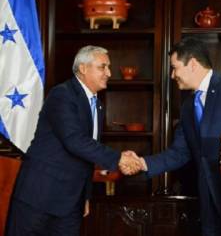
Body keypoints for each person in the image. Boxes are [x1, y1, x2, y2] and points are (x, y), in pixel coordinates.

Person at [119, 37, 221, 236]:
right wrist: (143, 163)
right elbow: (179, 153)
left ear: (192, 64)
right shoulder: (188, 107)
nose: (172, 74)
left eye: (175, 67)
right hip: (208, 201)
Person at [5, 45, 141, 236]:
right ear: (83, 68)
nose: (109, 73)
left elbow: (86, 156)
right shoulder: (62, 95)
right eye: (103, 67)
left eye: (108, 67)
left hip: (70, 203)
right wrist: (119, 158)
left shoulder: (98, 106)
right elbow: (74, 140)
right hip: (39, 197)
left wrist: (84, 196)